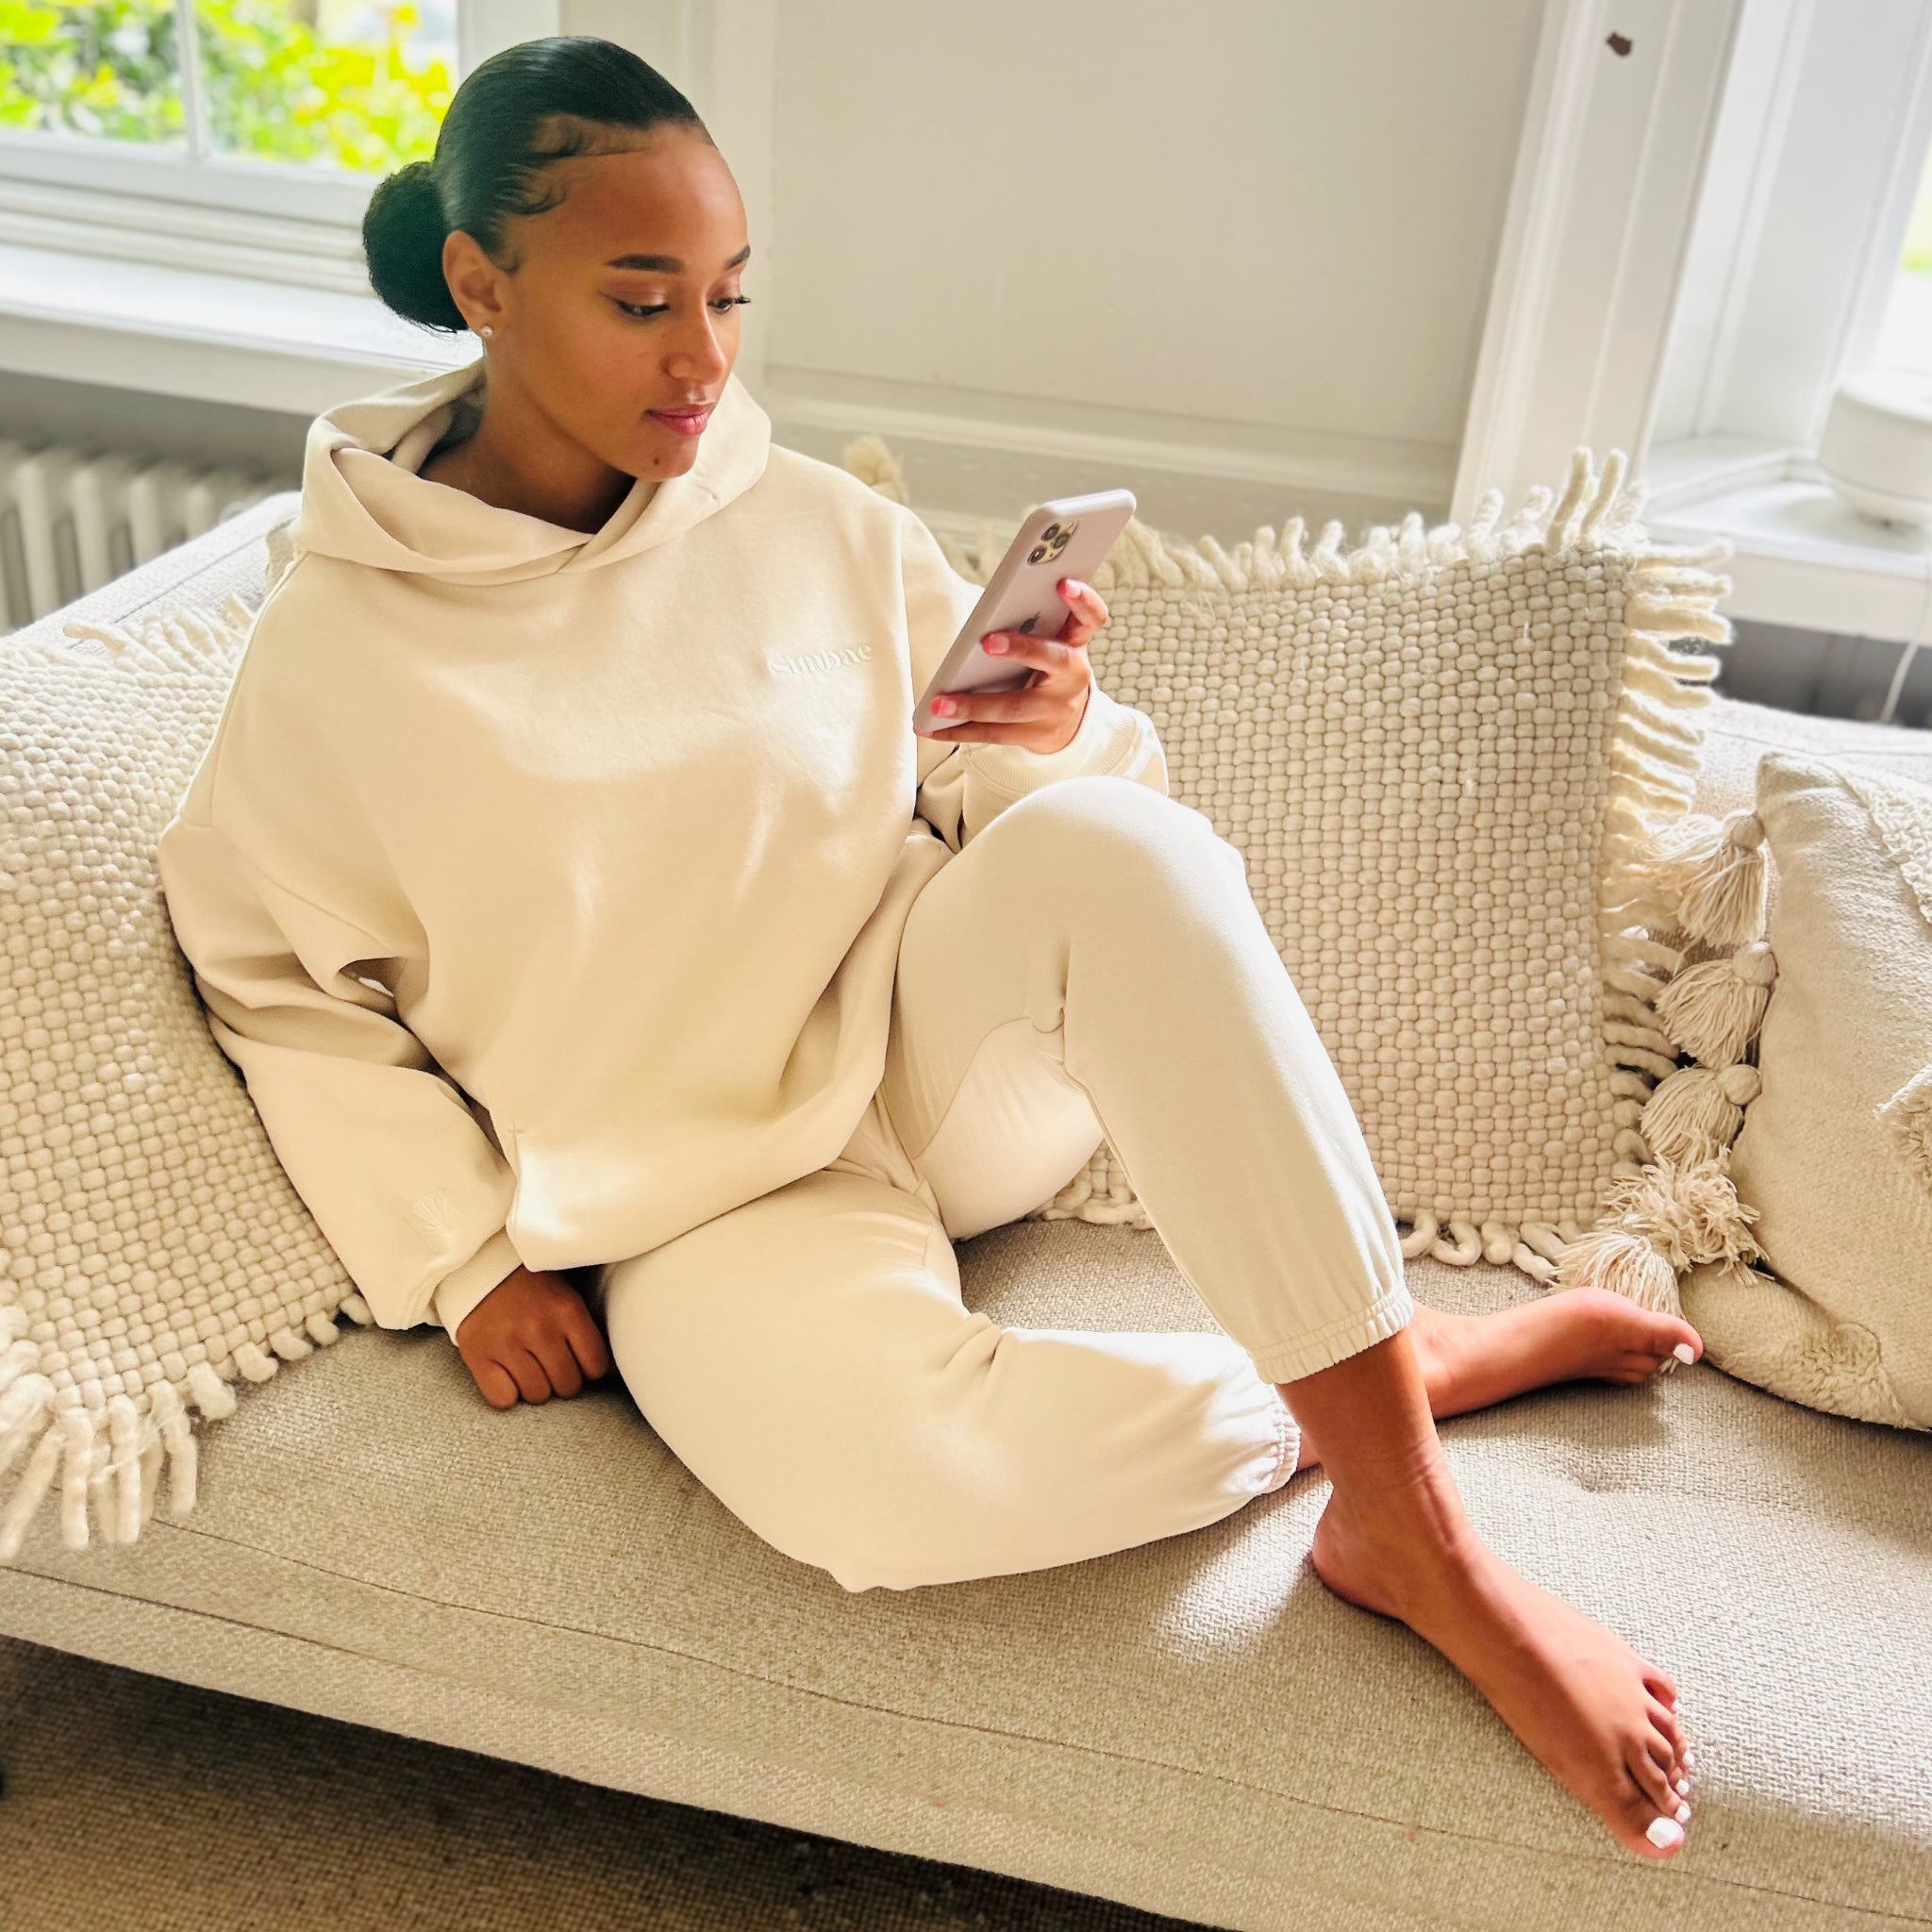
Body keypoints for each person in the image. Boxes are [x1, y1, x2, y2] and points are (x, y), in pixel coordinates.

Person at [155, 35, 1701, 1863]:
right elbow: (278, 989)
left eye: (727, 294)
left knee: (1121, 849)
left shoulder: (798, 515)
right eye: (641, 299)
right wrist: (466, 1255)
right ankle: (1380, 1373)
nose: (703, 356)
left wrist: (1032, 734)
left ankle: (1415, 1531)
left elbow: (1027, 825)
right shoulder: (337, 657)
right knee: (877, 1496)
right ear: (479, 283)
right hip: (695, 1206)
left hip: (922, 1046)